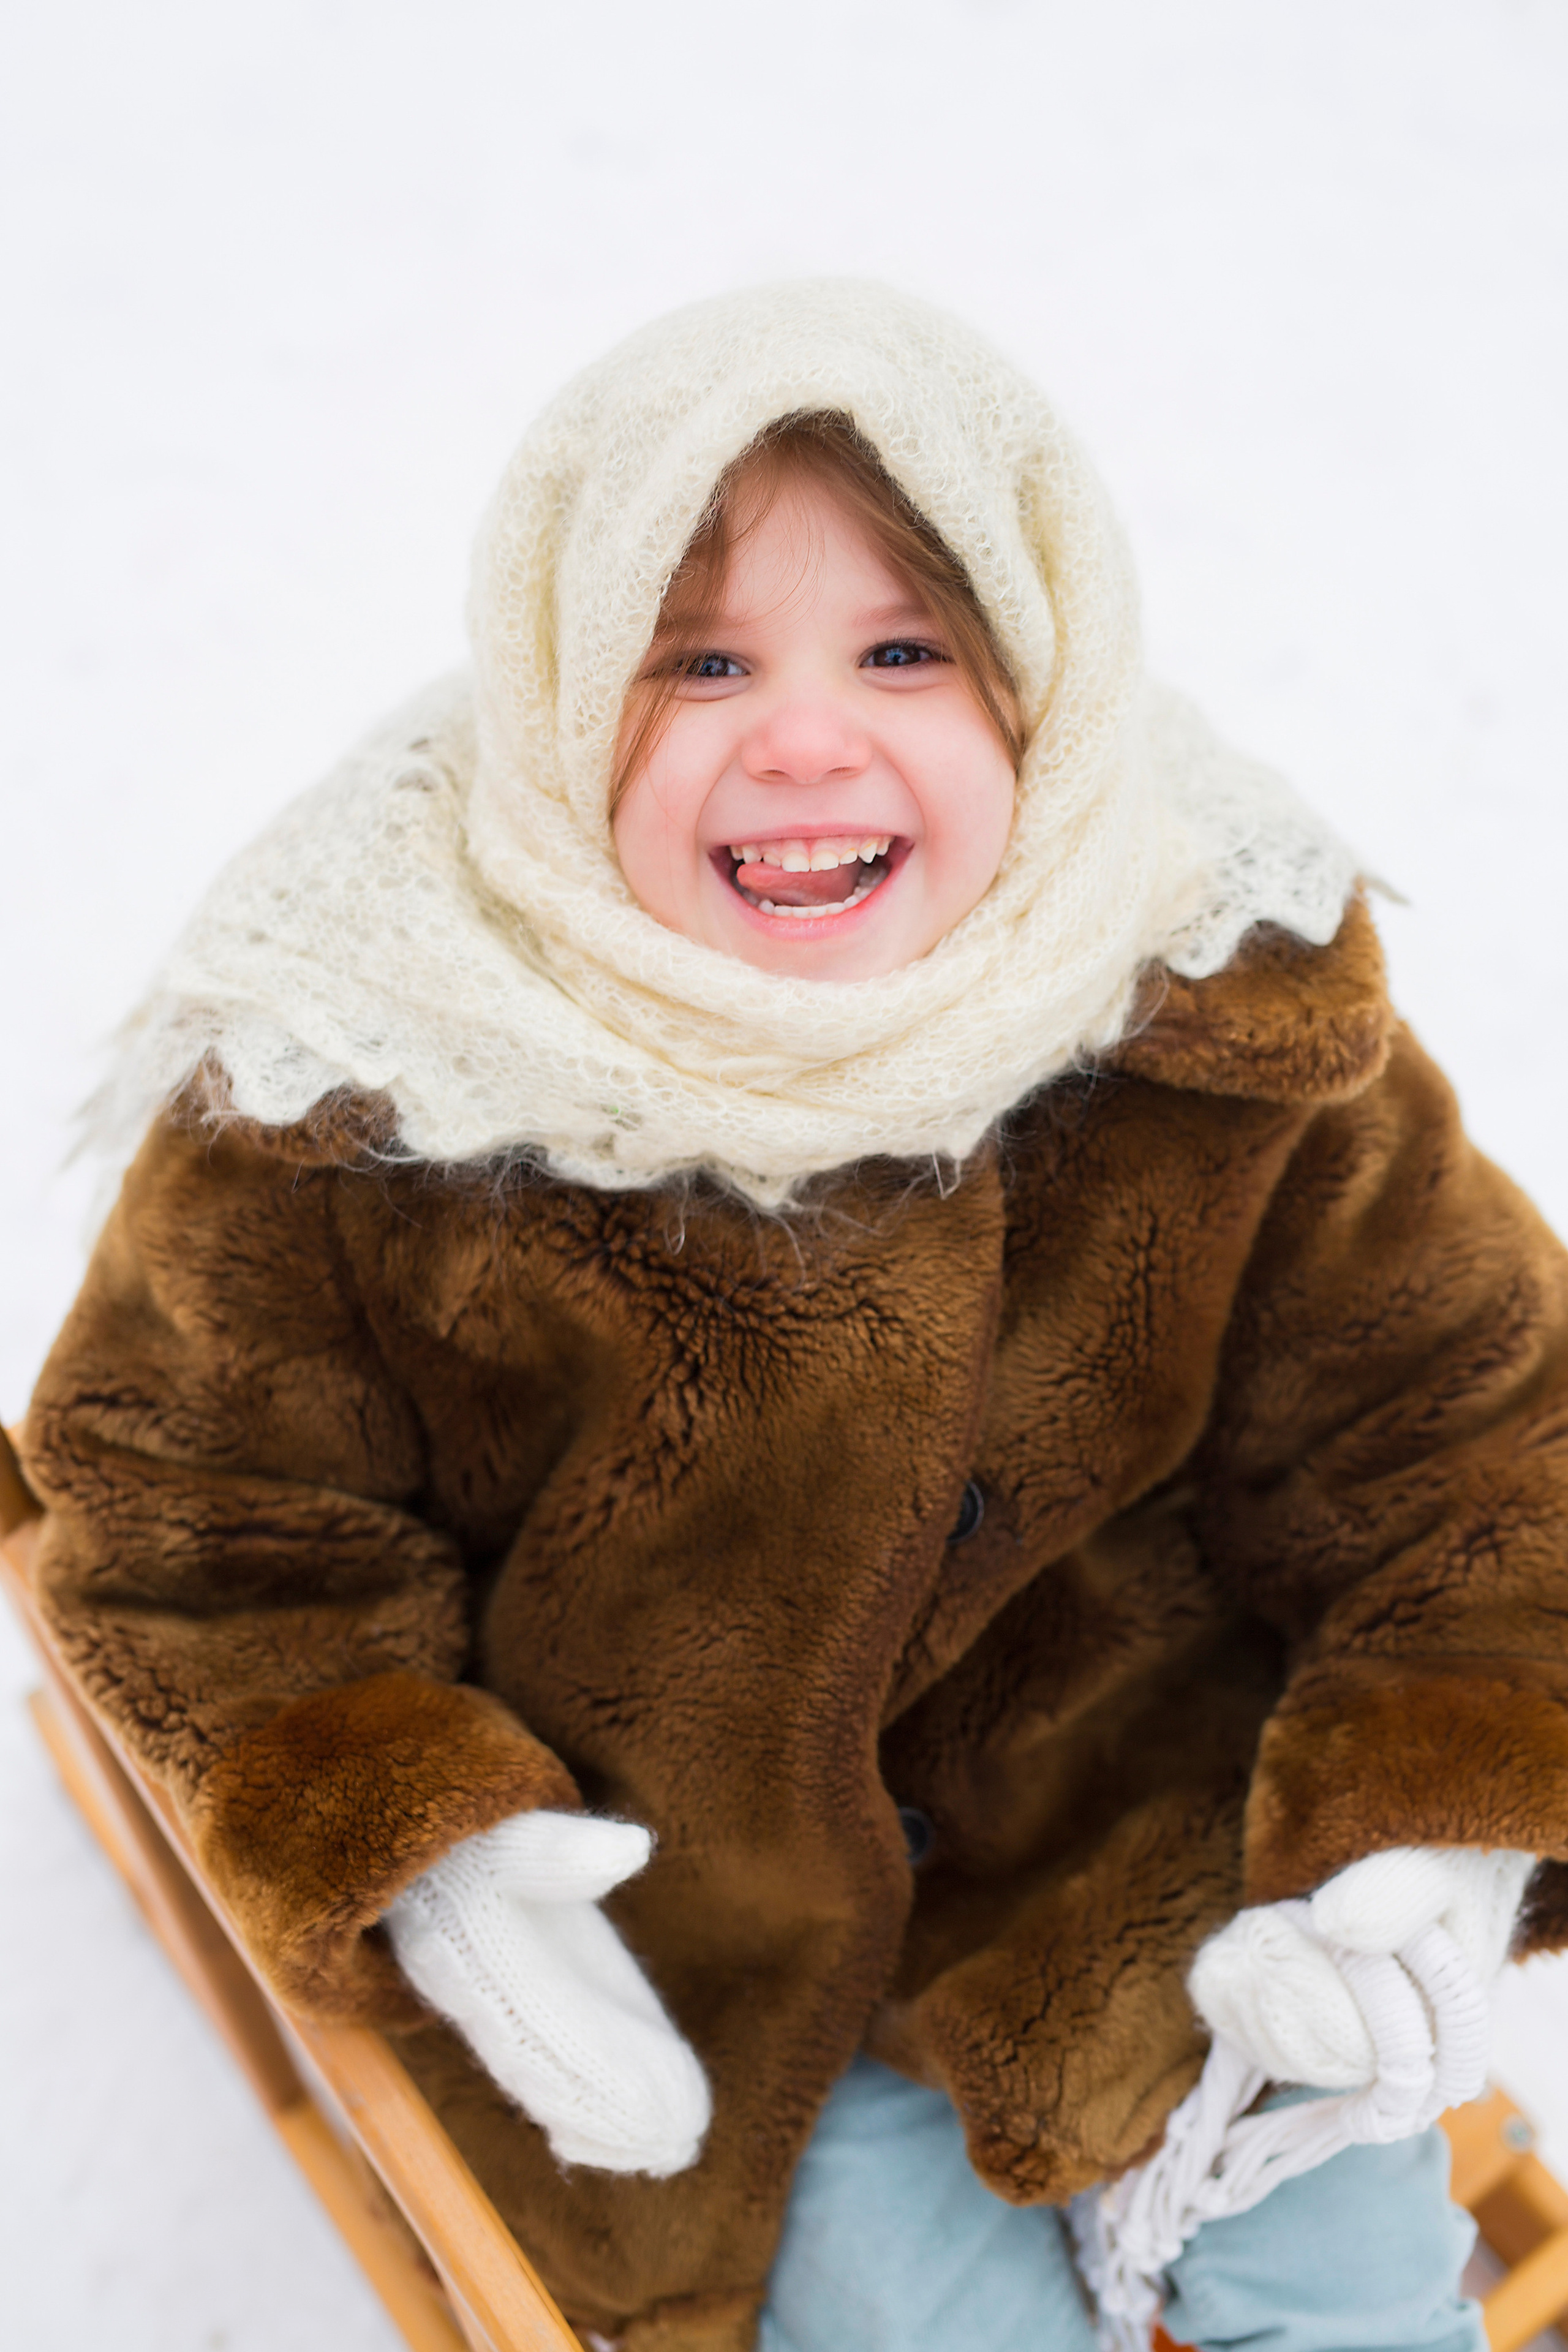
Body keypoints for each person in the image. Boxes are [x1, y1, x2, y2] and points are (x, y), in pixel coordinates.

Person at [21, 283, 1568, 2352]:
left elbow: (1468, 1433)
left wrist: (1441, 1828)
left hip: (1165, 1855)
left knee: (1356, 2285)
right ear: (568, 709)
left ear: (1044, 688)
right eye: (705, 663)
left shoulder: (1211, 995)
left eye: (907, 652)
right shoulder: (365, 1086)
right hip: (690, 1948)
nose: (807, 739)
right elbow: (191, 1500)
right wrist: (444, 1855)